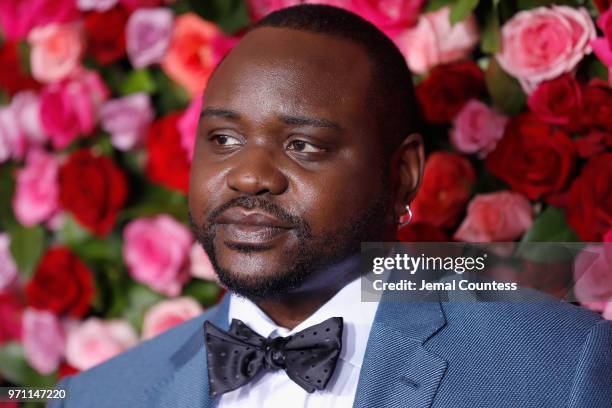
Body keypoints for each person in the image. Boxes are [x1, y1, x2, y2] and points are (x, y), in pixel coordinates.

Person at [49, 4, 611, 408]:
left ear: (403, 174)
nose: (248, 175)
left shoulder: (561, 373)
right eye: (222, 140)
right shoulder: (96, 395)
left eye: (304, 146)